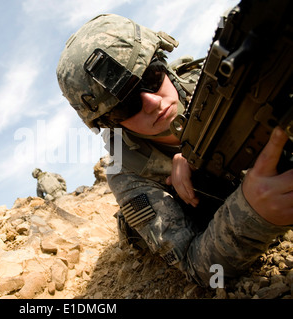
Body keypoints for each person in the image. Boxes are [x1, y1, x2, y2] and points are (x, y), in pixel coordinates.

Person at [56, 14, 292, 287]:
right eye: (126, 106)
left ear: (162, 61)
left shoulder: (209, 80)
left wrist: (194, 154)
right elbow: (201, 271)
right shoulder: (127, 173)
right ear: (109, 121)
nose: (153, 102)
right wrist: (251, 214)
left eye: (153, 76)